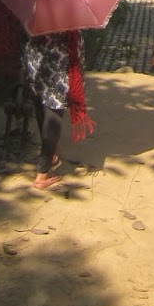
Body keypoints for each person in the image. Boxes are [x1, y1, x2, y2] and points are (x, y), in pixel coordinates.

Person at [21, 28, 93, 190]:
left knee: (41, 101)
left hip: (36, 51)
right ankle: (42, 174)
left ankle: (50, 153)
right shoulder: (65, 13)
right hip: (59, 57)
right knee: (54, 111)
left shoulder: (33, 12)